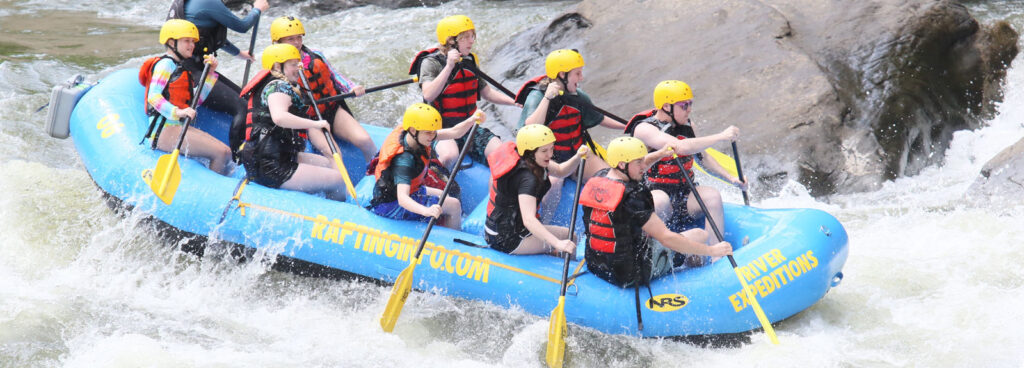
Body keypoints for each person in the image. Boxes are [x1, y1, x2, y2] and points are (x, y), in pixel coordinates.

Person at [580, 137, 733, 290]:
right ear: (622, 164)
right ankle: (699, 284)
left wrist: (660, 153)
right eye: (638, 162)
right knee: (700, 235)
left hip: (598, 266)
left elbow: (637, 166)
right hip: (630, 273)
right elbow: (667, 238)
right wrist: (712, 250)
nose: (643, 166)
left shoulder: (599, 177)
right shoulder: (633, 197)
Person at [625, 80, 744, 238]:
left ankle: (718, 256)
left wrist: (731, 179)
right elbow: (679, 147)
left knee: (712, 196)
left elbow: (704, 158)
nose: (689, 110)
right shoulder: (644, 129)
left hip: (684, 195)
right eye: (684, 105)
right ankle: (650, 252)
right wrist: (721, 136)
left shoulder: (689, 126)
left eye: (690, 104)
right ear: (667, 106)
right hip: (654, 194)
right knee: (661, 201)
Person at [517, 49, 626, 219]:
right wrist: (547, 99)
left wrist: (628, 126)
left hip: (577, 155)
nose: (581, 78)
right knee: (554, 184)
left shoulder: (578, 96)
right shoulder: (537, 97)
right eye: (577, 73)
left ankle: (610, 223)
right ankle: (545, 226)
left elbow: (600, 118)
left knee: (614, 180)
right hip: (548, 160)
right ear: (562, 74)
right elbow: (528, 129)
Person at [237, 44, 347, 200]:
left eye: (299, 63)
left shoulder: (281, 85)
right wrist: (315, 124)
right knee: (337, 179)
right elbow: (279, 117)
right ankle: (339, 214)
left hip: (278, 155)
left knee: (327, 164)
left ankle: (320, 203)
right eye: (293, 64)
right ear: (277, 66)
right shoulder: (277, 86)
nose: (299, 68)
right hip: (271, 165)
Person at [409, 15, 518, 168]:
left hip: (469, 125)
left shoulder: (469, 60)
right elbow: (428, 94)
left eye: (472, 36)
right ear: (451, 41)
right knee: (449, 155)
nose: (472, 41)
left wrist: (515, 102)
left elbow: (487, 93)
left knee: (501, 151)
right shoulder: (430, 63)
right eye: (465, 37)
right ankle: (436, 176)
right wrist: (448, 66)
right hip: (440, 129)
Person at [270, 16, 376, 162]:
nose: (296, 43)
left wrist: (352, 87)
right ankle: (339, 182)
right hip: (308, 120)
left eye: (299, 37)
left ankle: (376, 170)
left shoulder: (315, 54)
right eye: (290, 39)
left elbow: (334, 75)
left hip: (331, 110)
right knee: (334, 154)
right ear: (278, 42)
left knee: (364, 140)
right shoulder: (276, 67)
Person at [367, 103, 483, 229]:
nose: (432, 136)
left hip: (409, 190)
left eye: (433, 132)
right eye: (428, 133)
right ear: (412, 130)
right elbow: (402, 198)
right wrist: (426, 211)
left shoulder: (418, 135)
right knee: (454, 205)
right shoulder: (404, 161)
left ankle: (443, 227)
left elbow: (454, 132)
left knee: (445, 194)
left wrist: (472, 120)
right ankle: (452, 243)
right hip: (391, 205)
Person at [140, 19, 231, 175]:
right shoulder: (165, 65)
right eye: (186, 41)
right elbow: (153, 97)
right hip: (164, 131)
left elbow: (197, 100)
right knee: (221, 153)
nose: (192, 45)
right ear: (171, 42)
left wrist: (209, 74)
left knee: (227, 152)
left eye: (193, 41)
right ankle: (212, 192)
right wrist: (178, 112)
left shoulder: (180, 68)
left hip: (177, 126)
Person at [484, 125, 587, 255]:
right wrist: (557, 243)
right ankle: (560, 271)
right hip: (506, 238)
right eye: (544, 151)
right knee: (570, 238)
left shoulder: (530, 160)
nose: (550, 154)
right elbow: (529, 219)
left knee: (570, 235)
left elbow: (561, 171)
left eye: (551, 148)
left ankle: (553, 258)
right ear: (530, 152)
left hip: (503, 227)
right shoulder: (527, 179)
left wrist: (578, 157)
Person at [181, 0, 269, 154]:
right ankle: (237, 155)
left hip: (198, 69)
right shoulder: (207, 2)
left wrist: (239, 54)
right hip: (190, 75)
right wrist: (257, 10)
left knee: (247, 99)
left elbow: (213, 36)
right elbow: (242, 26)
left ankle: (249, 146)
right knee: (242, 106)